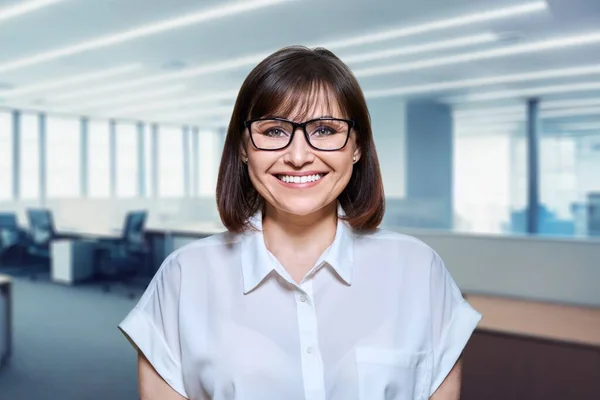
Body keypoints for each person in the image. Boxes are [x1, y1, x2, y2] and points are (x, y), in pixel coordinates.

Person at [118, 46, 482, 400]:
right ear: (244, 148)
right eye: (274, 130)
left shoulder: (419, 271)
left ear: (356, 147)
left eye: (325, 129)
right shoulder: (185, 276)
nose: (298, 155)